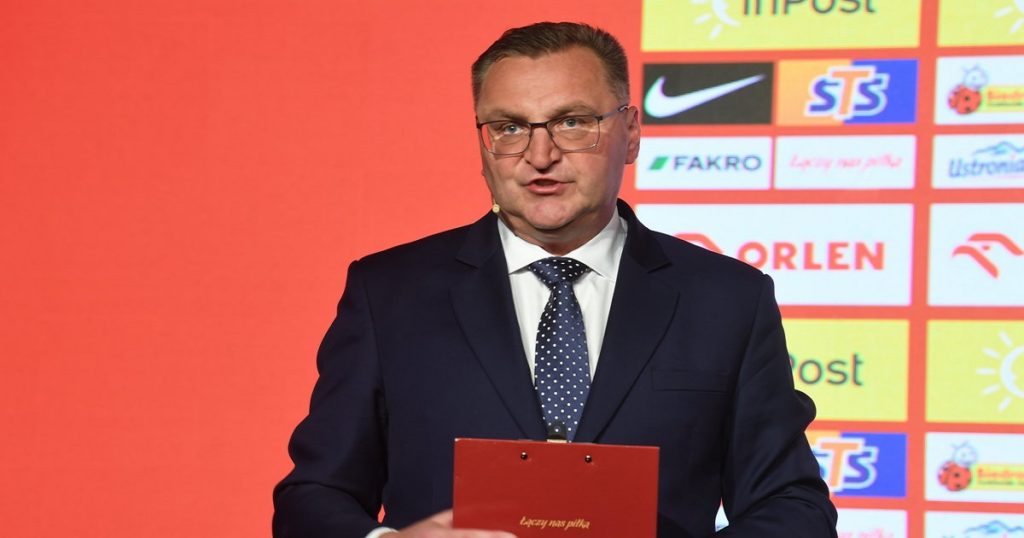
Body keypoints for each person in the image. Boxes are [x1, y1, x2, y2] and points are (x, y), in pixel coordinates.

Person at [273, 21, 837, 538]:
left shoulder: (727, 300)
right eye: (509, 127)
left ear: (631, 133)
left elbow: (793, 507)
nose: (539, 155)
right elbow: (313, 496)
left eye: (572, 122)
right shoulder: (389, 293)